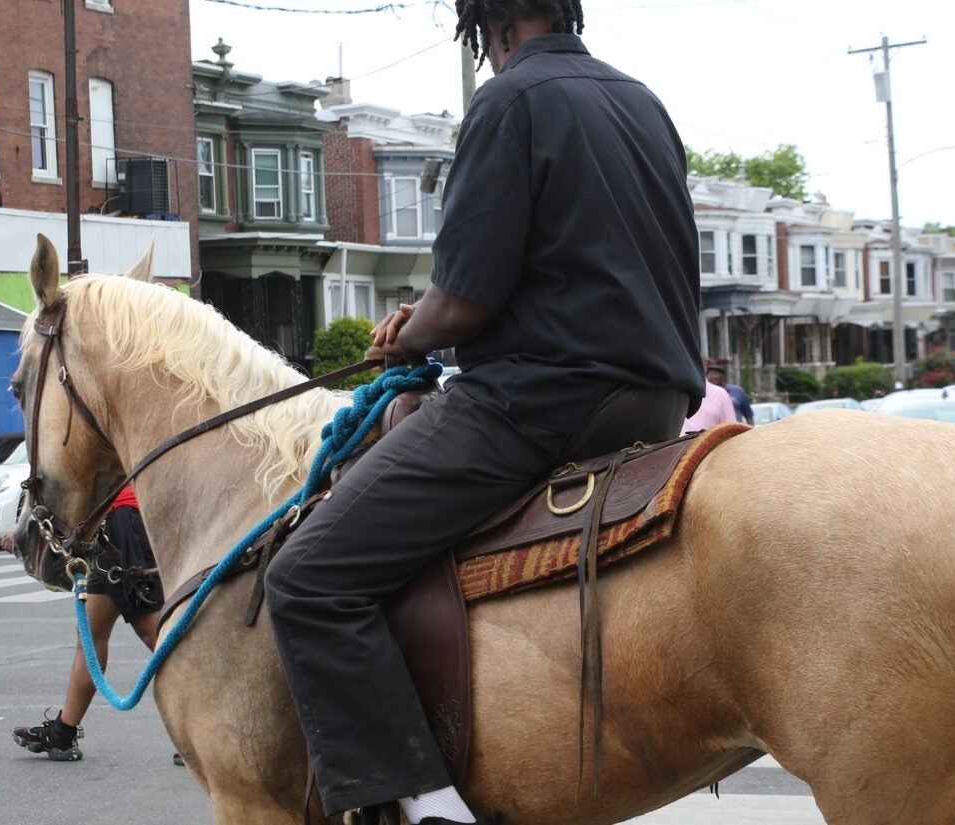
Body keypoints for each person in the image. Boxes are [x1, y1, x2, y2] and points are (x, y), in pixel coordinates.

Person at [260, 3, 703, 823]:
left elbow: (461, 304)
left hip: (543, 400)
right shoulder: (642, 100)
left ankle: (429, 805)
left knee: (308, 574)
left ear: (489, 26)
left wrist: (408, 335)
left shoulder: (509, 101)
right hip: (660, 399)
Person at [11, 485, 168, 762]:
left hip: (123, 523)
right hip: (109, 527)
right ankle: (63, 733)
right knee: (91, 639)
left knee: (156, 635)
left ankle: (212, 731)